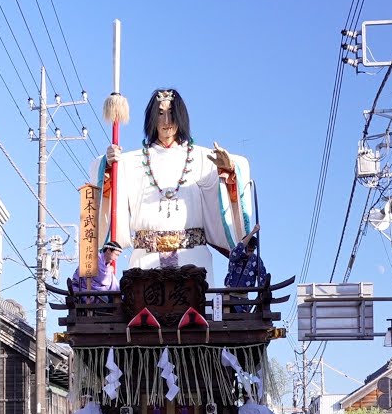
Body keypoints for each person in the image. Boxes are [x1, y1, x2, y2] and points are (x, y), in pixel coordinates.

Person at [98, 88, 253, 277]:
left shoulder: (202, 159)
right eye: (160, 114)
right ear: (151, 118)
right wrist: (107, 165)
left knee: (198, 305)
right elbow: (108, 192)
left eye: (172, 114)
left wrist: (228, 170)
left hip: (193, 259)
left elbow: (229, 191)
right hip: (145, 261)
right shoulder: (131, 162)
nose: (166, 122)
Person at [225, 225, 266, 312]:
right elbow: (239, 248)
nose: (249, 253)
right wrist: (253, 232)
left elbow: (262, 277)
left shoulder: (256, 260)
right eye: (248, 249)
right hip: (228, 296)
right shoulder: (235, 254)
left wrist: (262, 293)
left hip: (244, 300)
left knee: (243, 320)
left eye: (252, 250)